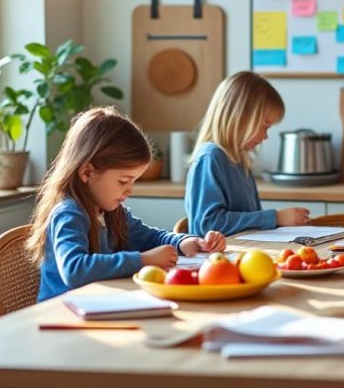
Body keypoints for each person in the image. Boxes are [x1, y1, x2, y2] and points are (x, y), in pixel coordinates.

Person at [28, 107, 226, 301]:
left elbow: (151, 237)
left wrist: (184, 242)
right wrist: (143, 260)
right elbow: (75, 270)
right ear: (87, 173)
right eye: (123, 181)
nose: (130, 190)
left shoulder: (111, 212)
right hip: (62, 314)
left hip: (100, 305)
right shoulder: (69, 213)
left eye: (134, 181)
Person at [185, 71, 310, 236]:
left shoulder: (240, 162)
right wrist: (275, 217)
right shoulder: (210, 157)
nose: (265, 136)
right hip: (217, 259)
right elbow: (208, 225)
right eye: (264, 126)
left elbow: (250, 222)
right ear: (240, 117)